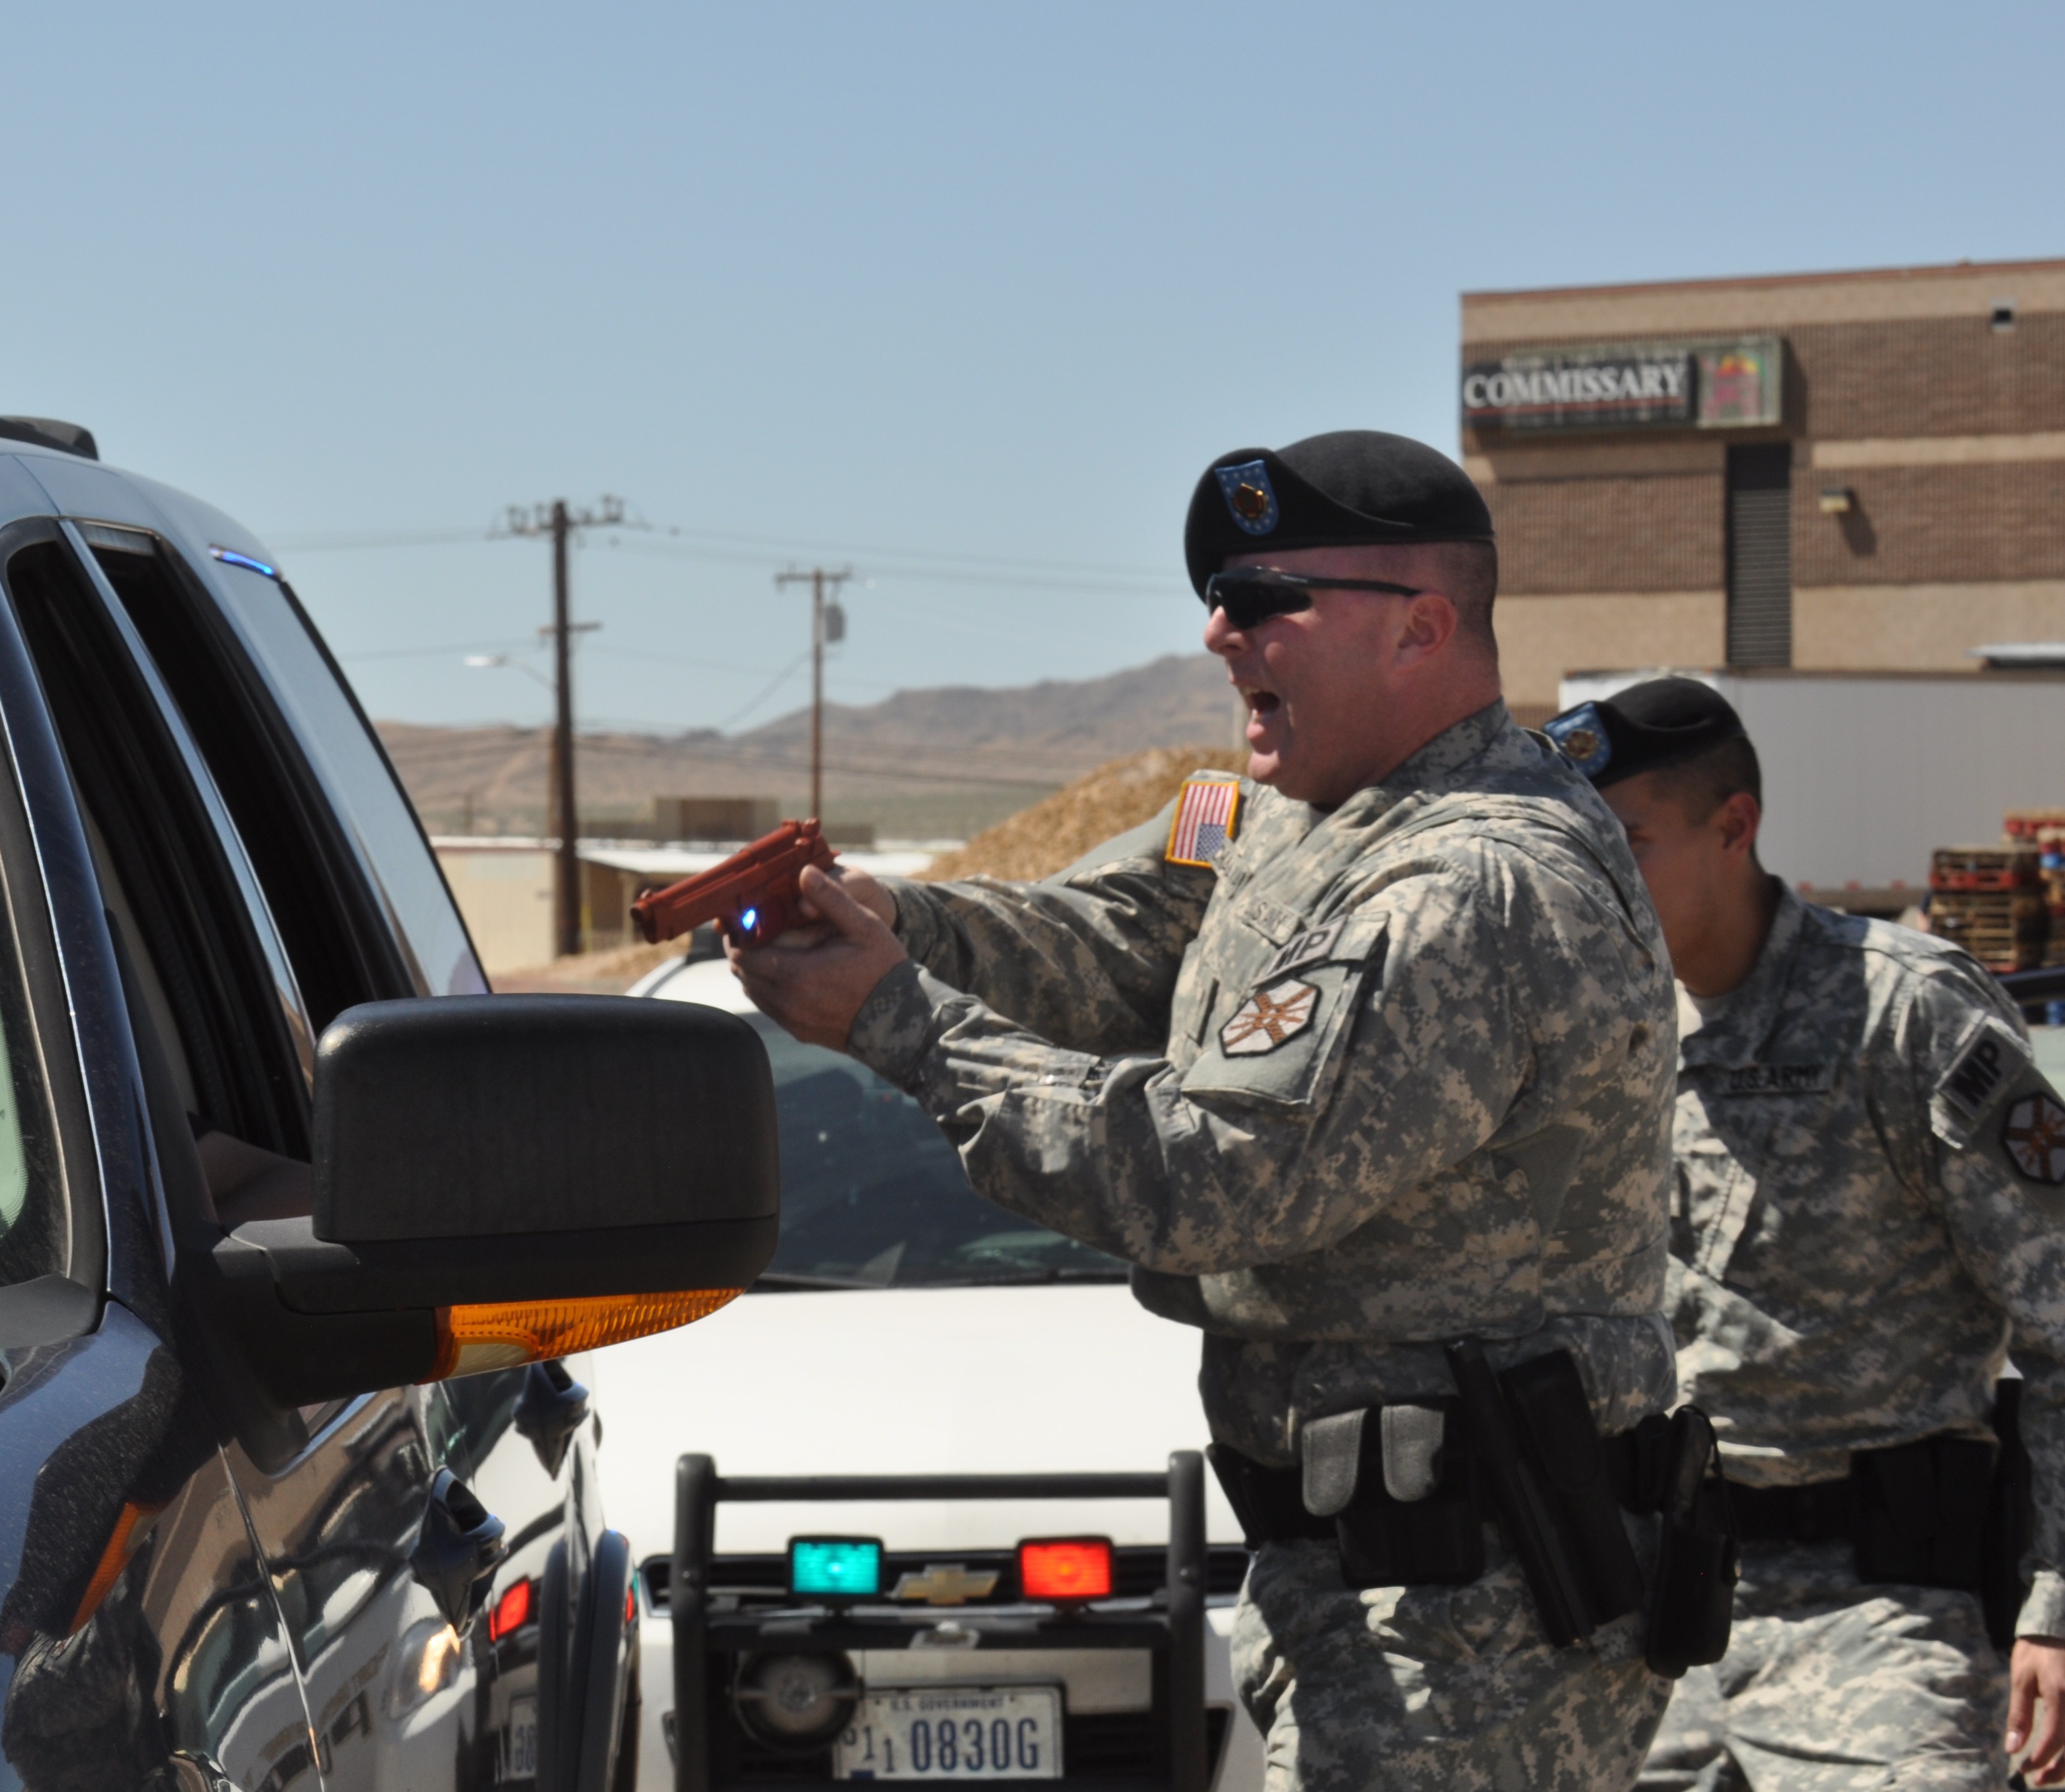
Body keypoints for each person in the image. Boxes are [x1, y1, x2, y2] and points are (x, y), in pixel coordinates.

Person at [733, 430, 1682, 1791]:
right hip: (1352, 1576)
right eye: (1219, 596)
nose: (1217, 634)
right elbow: (1126, 935)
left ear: (1419, 627)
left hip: (1466, 1617)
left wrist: (898, 1017)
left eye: (1264, 601)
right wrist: (901, 922)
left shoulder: (1465, 886)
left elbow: (1204, 1176)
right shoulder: (1297, 814)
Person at [1553, 678, 2065, 1791]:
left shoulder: (1904, 1009)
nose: (1591, 879)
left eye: (1626, 841)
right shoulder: (1582, 1028)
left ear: (1731, 825)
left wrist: (2056, 1604)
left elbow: (2062, 1318)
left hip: (1877, 1610)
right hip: (1641, 1610)